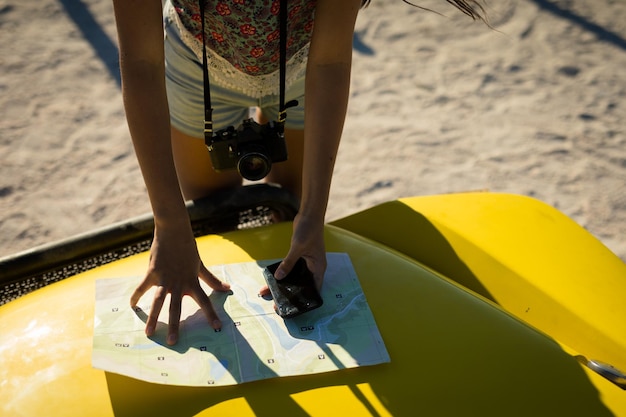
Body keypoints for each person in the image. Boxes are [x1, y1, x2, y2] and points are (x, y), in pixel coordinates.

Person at [111, 0, 486, 346]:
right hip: (196, 62)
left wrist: (313, 214)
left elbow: (329, 63)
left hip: (303, 67)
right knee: (212, 217)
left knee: (290, 217)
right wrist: (170, 224)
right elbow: (141, 62)